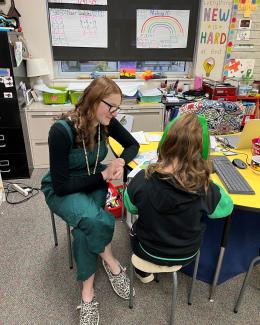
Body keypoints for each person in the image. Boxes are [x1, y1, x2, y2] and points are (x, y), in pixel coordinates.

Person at [41, 77, 139, 325]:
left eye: (118, 108)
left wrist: (120, 162)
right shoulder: (61, 131)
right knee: (98, 221)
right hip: (62, 189)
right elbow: (62, 185)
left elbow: (132, 144)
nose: (115, 113)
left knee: (86, 229)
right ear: (95, 101)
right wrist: (104, 175)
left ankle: (87, 292)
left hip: (93, 180)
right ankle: (110, 260)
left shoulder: (105, 122)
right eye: (111, 107)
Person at [124, 113, 234, 283]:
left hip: (147, 250)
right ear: (202, 153)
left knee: (133, 228)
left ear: (164, 143)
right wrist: (208, 180)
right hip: (186, 254)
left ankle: (143, 271)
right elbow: (226, 208)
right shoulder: (206, 188)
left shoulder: (141, 179)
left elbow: (131, 207)